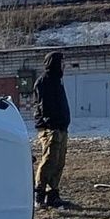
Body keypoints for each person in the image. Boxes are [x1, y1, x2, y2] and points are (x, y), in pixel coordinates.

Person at [32, 51, 71, 208]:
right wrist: (52, 123)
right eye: (61, 62)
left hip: (61, 127)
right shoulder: (43, 81)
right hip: (50, 128)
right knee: (49, 160)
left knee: (59, 162)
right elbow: (44, 106)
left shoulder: (58, 81)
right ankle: (39, 194)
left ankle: (53, 194)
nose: (64, 66)